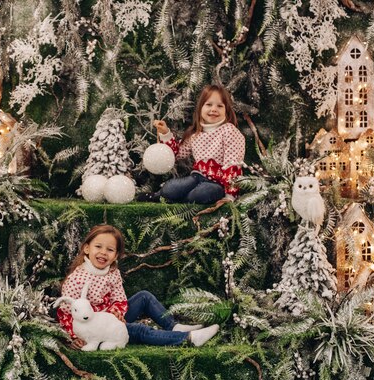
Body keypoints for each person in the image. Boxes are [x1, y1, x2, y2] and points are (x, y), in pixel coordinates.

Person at [56, 224, 220, 348]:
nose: (103, 253)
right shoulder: (76, 280)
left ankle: (175, 326)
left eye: (110, 249)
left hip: (111, 319)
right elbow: (66, 312)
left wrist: (117, 312)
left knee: (144, 296)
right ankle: (188, 339)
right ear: (86, 248)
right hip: (98, 330)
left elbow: (119, 298)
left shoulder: (112, 272)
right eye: (98, 247)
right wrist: (75, 336)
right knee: (138, 330)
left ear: (115, 256)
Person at [140, 84, 245, 204]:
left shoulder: (229, 131)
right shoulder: (196, 134)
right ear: (200, 108)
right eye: (209, 104)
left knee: (203, 193)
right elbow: (177, 153)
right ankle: (161, 195)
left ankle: (179, 201)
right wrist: (165, 133)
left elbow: (233, 165)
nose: (214, 109)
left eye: (220, 106)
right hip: (196, 178)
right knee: (170, 187)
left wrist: (230, 196)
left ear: (226, 111)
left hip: (217, 184)